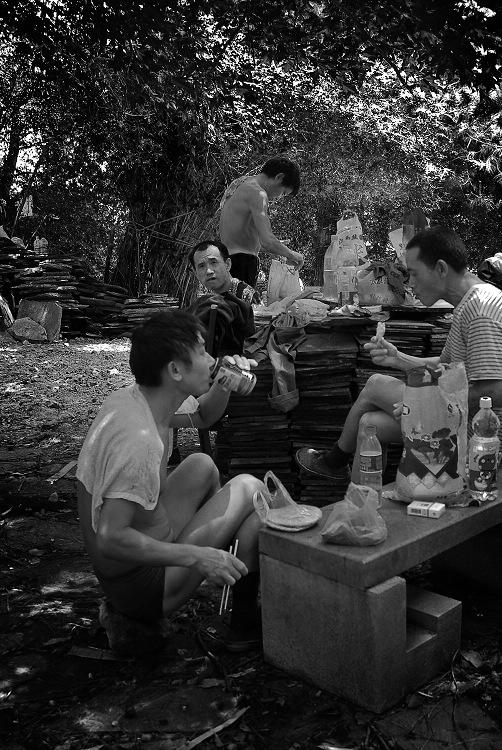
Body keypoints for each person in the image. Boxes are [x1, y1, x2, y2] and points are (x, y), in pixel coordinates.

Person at [77, 310, 265, 652]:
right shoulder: (140, 442)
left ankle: (221, 563)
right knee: (251, 490)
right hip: (142, 587)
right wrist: (195, 556)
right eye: (202, 353)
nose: (212, 360)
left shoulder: (138, 399)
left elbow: (204, 415)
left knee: (201, 465)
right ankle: (244, 623)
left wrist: (224, 382)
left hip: (133, 562)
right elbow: (110, 538)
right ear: (175, 371)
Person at [295, 225, 502, 482]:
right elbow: (444, 365)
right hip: (460, 422)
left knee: (375, 384)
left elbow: (494, 390)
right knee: (370, 424)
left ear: (440, 269)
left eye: (413, 274)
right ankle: (363, 502)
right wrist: (398, 358)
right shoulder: (468, 304)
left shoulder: (480, 310)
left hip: (481, 442)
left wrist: (424, 405)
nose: (410, 284)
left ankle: (335, 463)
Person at [219, 156, 304, 287]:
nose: (278, 198)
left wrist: (278, 248)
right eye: (283, 193)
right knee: (241, 301)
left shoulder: (240, 185)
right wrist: (292, 254)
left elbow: (241, 240)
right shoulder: (258, 193)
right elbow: (267, 241)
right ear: (279, 177)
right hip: (242, 265)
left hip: (228, 263)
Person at [189, 239, 262, 306]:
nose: (209, 271)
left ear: (227, 264)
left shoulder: (247, 296)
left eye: (214, 262)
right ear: (196, 273)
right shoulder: (204, 302)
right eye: (201, 266)